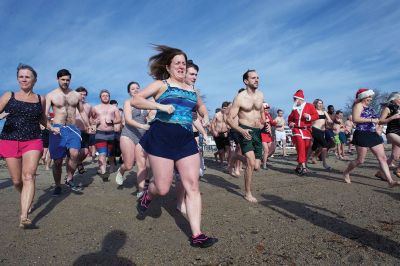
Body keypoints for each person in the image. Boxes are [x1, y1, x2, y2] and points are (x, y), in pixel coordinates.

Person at [131, 45, 217, 248]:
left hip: (186, 139)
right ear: (168, 67)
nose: (181, 65)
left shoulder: (192, 90)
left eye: (183, 63)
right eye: (177, 62)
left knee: (193, 185)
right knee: (162, 187)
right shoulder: (161, 85)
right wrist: (160, 106)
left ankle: (197, 235)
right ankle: (147, 195)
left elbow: (201, 106)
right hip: (162, 136)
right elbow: (136, 100)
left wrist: (205, 115)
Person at [0, 64, 47, 228]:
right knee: (16, 180)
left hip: (33, 140)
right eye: (21, 76)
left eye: (28, 76)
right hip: (9, 139)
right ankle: (25, 196)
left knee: (29, 176)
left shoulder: (41, 99)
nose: (24, 79)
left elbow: (42, 119)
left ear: (34, 79)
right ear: (17, 79)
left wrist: (51, 127)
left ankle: (24, 216)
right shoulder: (9, 95)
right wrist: (1, 116)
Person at [343, 88, 400, 187]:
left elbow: (378, 120)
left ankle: (390, 181)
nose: (371, 98)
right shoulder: (358, 105)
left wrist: (378, 127)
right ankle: (346, 172)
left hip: (373, 134)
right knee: (360, 160)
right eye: (369, 96)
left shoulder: (370, 108)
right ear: (363, 97)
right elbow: (356, 119)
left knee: (382, 158)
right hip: (362, 133)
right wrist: (371, 120)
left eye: (371, 97)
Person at [46, 69, 90, 195]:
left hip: (72, 128)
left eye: (68, 80)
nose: (65, 82)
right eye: (63, 79)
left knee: (75, 154)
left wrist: (88, 125)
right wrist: (49, 126)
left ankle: (69, 178)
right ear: (57, 79)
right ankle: (57, 185)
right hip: (57, 128)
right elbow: (44, 114)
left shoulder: (76, 95)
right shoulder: (51, 95)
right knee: (58, 161)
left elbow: (81, 111)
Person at [227, 69, 265, 203]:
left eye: (258, 77)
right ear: (246, 81)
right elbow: (229, 119)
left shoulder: (260, 95)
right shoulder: (240, 98)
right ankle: (247, 193)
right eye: (253, 78)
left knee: (256, 167)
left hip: (257, 132)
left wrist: (263, 122)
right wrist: (241, 130)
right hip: (245, 130)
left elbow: (261, 110)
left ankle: (235, 156)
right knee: (250, 162)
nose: (257, 80)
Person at [115, 82, 150, 199]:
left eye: (137, 88)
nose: (135, 90)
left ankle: (141, 191)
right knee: (129, 165)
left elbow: (152, 116)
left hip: (141, 137)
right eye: (132, 88)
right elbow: (128, 120)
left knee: (142, 165)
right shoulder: (128, 102)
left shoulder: (146, 103)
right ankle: (121, 170)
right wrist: (143, 126)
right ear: (129, 92)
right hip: (129, 134)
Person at [91, 90, 122, 180]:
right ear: (100, 97)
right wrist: (94, 122)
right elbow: (91, 119)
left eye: (107, 95)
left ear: (109, 97)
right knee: (102, 153)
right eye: (103, 95)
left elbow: (119, 119)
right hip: (100, 133)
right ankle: (104, 172)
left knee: (111, 154)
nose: (105, 97)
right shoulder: (95, 108)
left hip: (111, 134)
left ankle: (112, 167)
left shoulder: (114, 108)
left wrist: (112, 121)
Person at [288, 90, 319, 176]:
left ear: (300, 99)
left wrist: (309, 116)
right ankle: (304, 168)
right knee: (301, 147)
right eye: (294, 99)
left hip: (307, 130)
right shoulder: (294, 108)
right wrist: (291, 123)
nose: (294, 100)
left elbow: (316, 115)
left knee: (305, 149)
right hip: (297, 130)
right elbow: (290, 118)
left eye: (295, 99)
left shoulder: (309, 106)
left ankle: (299, 166)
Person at [376, 92, 400, 179]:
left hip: (399, 133)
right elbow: (380, 121)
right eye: (399, 98)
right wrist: (392, 117)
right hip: (392, 132)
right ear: (394, 99)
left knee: (395, 156)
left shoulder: (398, 108)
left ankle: (381, 172)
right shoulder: (388, 108)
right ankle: (398, 170)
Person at [75, 87, 94, 174]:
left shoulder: (88, 106)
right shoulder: (72, 105)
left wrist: (91, 126)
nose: (82, 96)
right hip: (74, 131)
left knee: (85, 152)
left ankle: (78, 162)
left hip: (84, 131)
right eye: (80, 94)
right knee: (73, 152)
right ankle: (70, 173)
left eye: (84, 94)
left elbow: (90, 118)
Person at [310, 99, 332, 170]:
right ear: (315, 104)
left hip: (322, 131)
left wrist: (330, 121)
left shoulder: (324, 112)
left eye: (321, 103)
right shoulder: (313, 111)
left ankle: (306, 161)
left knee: (314, 147)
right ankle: (324, 164)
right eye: (319, 103)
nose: (320, 104)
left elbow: (329, 120)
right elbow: (310, 120)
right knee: (325, 145)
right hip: (315, 130)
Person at [261, 102, 276, 169]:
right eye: (265, 108)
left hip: (268, 135)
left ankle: (263, 159)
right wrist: (264, 122)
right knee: (266, 150)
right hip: (263, 134)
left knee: (272, 149)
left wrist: (275, 122)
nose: (267, 109)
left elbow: (272, 123)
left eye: (268, 108)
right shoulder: (260, 115)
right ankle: (264, 165)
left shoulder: (268, 115)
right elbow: (259, 124)